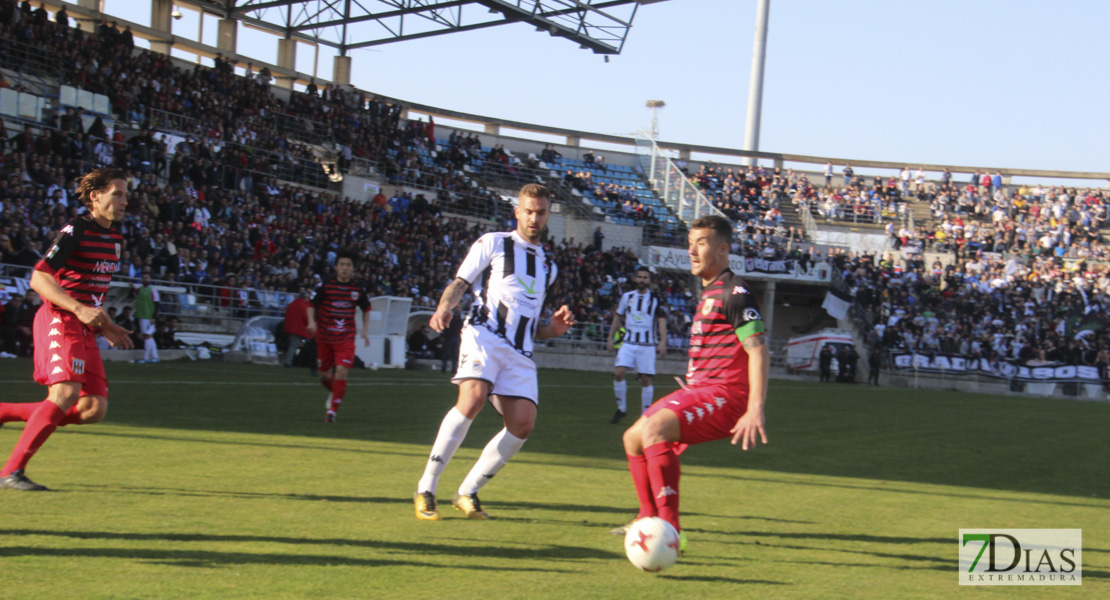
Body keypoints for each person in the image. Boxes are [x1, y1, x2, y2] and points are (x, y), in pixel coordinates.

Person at [413, 184, 576, 521]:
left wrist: (552, 329)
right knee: (471, 398)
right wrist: (445, 307)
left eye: (541, 212)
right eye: (528, 210)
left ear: (548, 215)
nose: (534, 218)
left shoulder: (549, 266)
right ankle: (426, 487)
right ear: (517, 211)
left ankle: (467, 492)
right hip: (484, 333)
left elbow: (528, 323)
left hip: (520, 350)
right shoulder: (494, 242)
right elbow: (460, 282)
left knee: (522, 424)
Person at [615, 215, 768, 549]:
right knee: (632, 439)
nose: (692, 251)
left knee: (654, 430)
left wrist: (755, 408)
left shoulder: (734, 292)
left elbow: (758, 351)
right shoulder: (709, 292)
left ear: (723, 249)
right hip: (700, 391)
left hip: (726, 395)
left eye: (701, 243)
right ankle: (646, 517)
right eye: (690, 243)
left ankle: (670, 531)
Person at [0, 168, 134, 491]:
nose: (124, 201)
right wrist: (78, 309)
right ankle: (10, 473)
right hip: (59, 319)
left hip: (85, 326)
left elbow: (92, 291)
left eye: (126, 195)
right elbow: (39, 278)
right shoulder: (76, 229)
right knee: (64, 394)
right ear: (95, 196)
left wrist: (105, 326)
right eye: (117, 193)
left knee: (92, 409)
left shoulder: (115, 235)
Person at [306, 250, 372, 423]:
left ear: (353, 269)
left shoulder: (357, 290)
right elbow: (311, 305)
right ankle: (334, 392)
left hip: (345, 337)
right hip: (325, 338)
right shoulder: (326, 286)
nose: (344, 268)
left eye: (348, 265)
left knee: (342, 371)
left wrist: (365, 330)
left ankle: (332, 412)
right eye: (342, 264)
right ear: (336, 267)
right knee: (324, 376)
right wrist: (311, 322)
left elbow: (366, 309)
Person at [606, 266, 667, 423]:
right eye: (639, 277)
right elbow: (617, 317)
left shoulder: (655, 299)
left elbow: (661, 321)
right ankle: (621, 409)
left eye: (645, 277)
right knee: (618, 373)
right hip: (628, 343)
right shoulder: (627, 297)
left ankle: (645, 416)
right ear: (635, 279)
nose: (642, 280)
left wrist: (662, 342)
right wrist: (610, 338)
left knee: (646, 379)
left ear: (649, 280)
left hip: (647, 345)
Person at [133, 272, 160, 363]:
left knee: (147, 336)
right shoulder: (140, 290)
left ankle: (145, 357)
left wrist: (154, 317)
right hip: (141, 315)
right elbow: (133, 292)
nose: (145, 279)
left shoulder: (152, 290)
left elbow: (157, 304)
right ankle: (154, 356)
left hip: (148, 316)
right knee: (149, 336)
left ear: (150, 279)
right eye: (144, 278)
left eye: (147, 278)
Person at [282, 289, 311, 368]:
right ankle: (288, 362)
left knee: (292, 345)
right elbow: (306, 318)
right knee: (293, 346)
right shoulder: (303, 305)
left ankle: (289, 361)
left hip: (289, 328)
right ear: (305, 298)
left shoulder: (292, 304)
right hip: (297, 329)